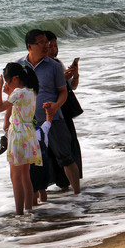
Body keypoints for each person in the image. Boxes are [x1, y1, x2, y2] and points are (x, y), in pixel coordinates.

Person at [7, 29, 80, 195]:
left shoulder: (54, 66)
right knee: (32, 163)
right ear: (29, 46)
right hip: (27, 123)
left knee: (65, 157)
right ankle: (37, 205)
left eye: (46, 42)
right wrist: (8, 120)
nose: (46, 46)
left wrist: (55, 106)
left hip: (53, 118)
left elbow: (63, 91)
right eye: (41, 42)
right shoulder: (19, 66)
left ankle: (78, 195)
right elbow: (13, 96)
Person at [0, 63, 42, 215]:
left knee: (15, 176)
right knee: (25, 175)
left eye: (7, 80)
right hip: (29, 133)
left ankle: (19, 213)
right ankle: (28, 210)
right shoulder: (30, 91)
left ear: (15, 79)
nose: (6, 83)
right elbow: (16, 103)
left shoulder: (18, 92)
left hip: (18, 135)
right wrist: (9, 91)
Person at [45, 30, 83, 191]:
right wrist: (63, 78)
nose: (54, 49)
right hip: (51, 112)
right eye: (50, 46)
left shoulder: (57, 63)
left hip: (63, 111)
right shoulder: (46, 66)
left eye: (55, 45)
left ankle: (67, 185)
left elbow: (71, 87)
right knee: (56, 151)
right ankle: (62, 185)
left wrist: (75, 75)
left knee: (67, 147)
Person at [30, 103, 54, 205]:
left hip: (32, 166)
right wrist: (48, 111)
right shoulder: (43, 129)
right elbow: (49, 119)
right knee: (42, 189)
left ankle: (35, 208)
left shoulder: (26, 135)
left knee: (32, 190)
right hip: (44, 164)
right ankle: (44, 206)